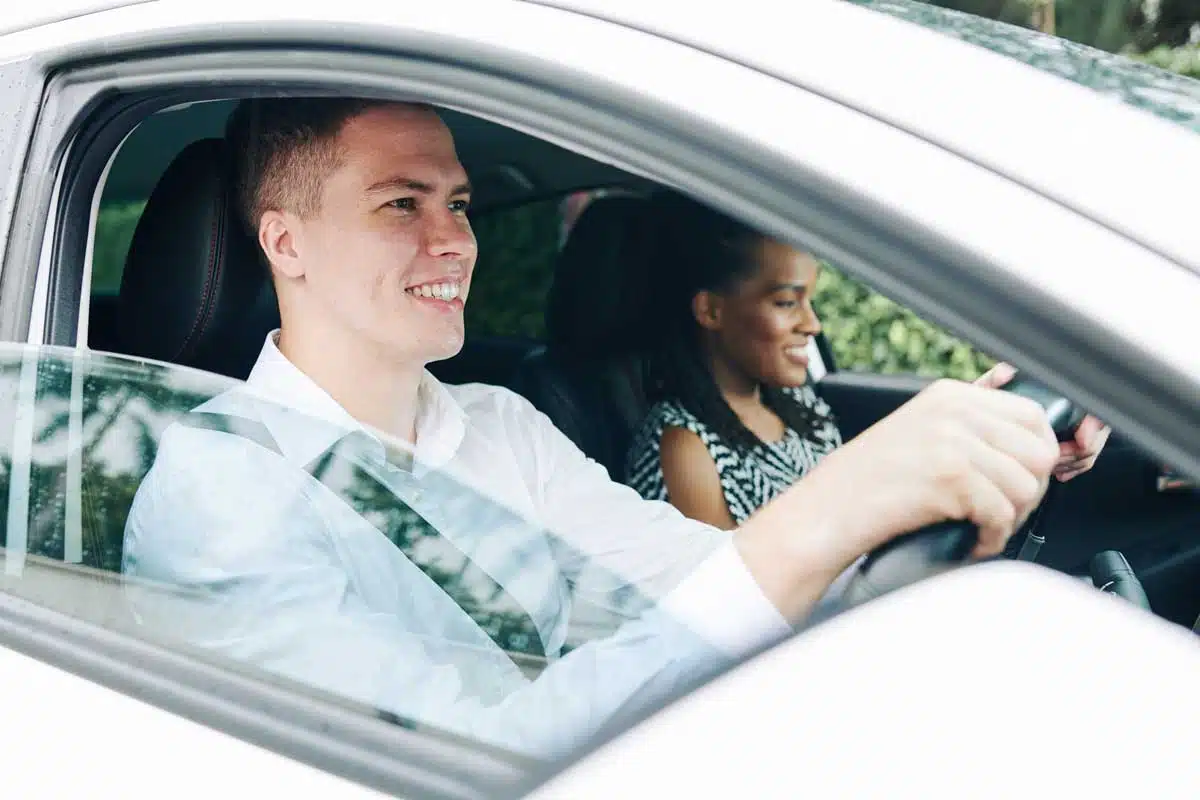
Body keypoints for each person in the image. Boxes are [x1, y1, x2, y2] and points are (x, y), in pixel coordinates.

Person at [122, 97, 1085, 759]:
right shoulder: (221, 490)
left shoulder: (501, 426)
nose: (456, 237)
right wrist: (827, 513)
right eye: (400, 204)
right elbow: (463, 763)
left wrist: (954, 461)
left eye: (456, 202)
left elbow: (697, 578)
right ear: (285, 242)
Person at [626, 193, 1110, 529]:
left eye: (810, 301)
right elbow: (732, 611)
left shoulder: (796, 405)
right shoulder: (684, 446)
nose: (812, 325)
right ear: (710, 310)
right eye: (786, 303)